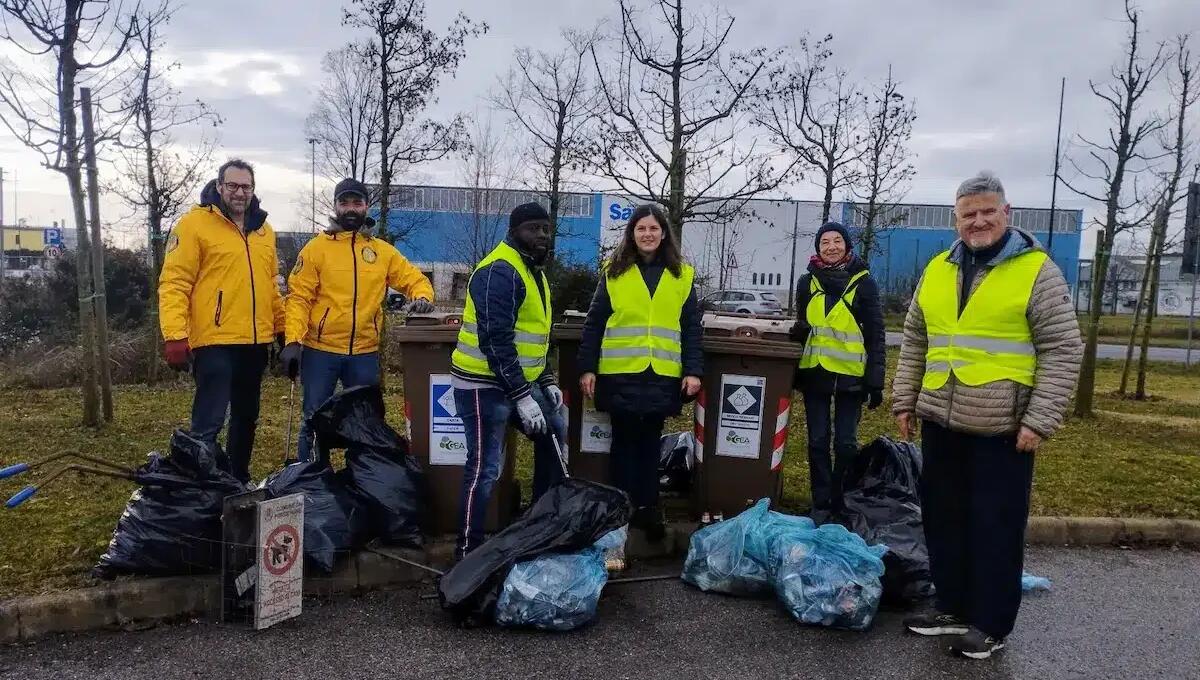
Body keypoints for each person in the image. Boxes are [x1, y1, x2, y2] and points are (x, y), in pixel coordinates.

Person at [892, 171, 1081, 659]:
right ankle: (952, 606)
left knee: (995, 525)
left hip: (1002, 426)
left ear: (1006, 213)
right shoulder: (938, 269)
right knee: (944, 519)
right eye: (968, 214)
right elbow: (916, 339)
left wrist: (1039, 420)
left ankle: (991, 623)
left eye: (987, 212)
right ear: (956, 220)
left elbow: (1062, 348)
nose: (978, 221)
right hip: (941, 418)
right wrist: (904, 399)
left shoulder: (1036, 271)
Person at [577, 204, 703, 555]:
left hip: (660, 374)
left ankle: (647, 509)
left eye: (653, 228)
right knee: (622, 444)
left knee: (649, 445)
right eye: (641, 229)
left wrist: (693, 371)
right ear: (631, 234)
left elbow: (691, 327)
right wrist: (587, 368)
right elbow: (594, 322)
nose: (648, 234)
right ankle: (621, 511)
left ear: (664, 233)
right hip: (620, 374)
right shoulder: (614, 272)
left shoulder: (682, 275)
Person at [280, 178, 434, 461]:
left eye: (357, 202)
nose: (351, 208)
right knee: (314, 419)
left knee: (365, 421)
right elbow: (299, 298)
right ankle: (312, 476)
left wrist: (422, 296)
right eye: (344, 202)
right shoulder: (315, 250)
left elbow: (414, 279)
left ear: (366, 206)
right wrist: (293, 341)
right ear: (335, 206)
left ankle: (363, 477)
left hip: (364, 352)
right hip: (320, 350)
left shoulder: (382, 252)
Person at [449, 202, 566, 560]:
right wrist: (522, 396)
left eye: (545, 229)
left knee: (554, 432)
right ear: (514, 232)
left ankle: (539, 525)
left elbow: (532, 337)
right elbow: (496, 340)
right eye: (533, 229)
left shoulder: (533, 271)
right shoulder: (500, 271)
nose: (541, 235)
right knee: (485, 468)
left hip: (517, 382)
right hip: (482, 384)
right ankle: (467, 550)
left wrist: (546, 379)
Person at [159, 159, 285, 483]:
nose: (239, 193)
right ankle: (202, 484)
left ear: (253, 190)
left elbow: (271, 285)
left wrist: (283, 328)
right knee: (210, 419)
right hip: (214, 340)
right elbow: (175, 283)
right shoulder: (194, 225)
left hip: (255, 342)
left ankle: (238, 479)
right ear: (219, 187)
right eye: (233, 185)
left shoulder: (264, 230)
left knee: (246, 418)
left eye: (246, 186)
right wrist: (175, 335)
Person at [789, 221, 886, 514]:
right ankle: (821, 503)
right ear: (818, 248)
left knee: (845, 443)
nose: (831, 247)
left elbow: (876, 333)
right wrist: (798, 334)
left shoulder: (864, 282)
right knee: (817, 442)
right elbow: (803, 325)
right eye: (825, 242)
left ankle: (842, 500)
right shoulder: (807, 282)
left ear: (847, 246)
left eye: (837, 241)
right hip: (815, 372)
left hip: (851, 376)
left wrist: (876, 380)